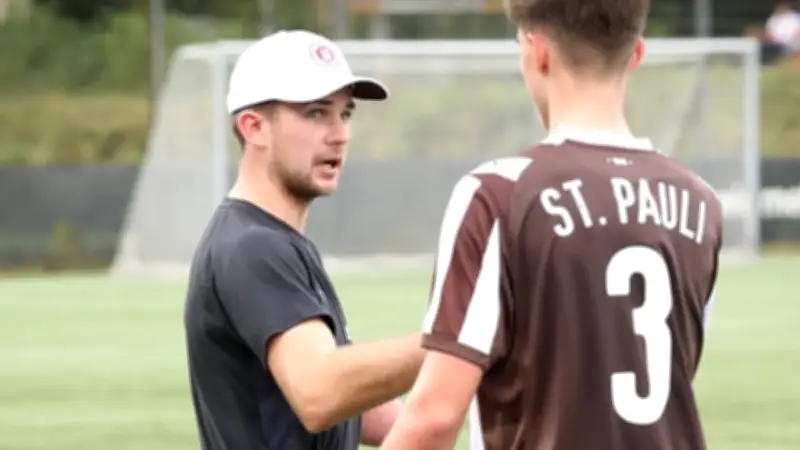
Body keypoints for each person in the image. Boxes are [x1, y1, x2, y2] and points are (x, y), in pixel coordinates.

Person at [380, 0, 723, 448]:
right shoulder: (701, 202)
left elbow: (435, 416)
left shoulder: (498, 193)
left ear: (537, 51)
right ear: (636, 54)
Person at [183, 29, 425, 450]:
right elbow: (320, 391)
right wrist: (461, 343)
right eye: (316, 113)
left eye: (345, 113)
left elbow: (359, 405)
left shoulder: (278, 241)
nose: (339, 134)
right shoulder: (252, 247)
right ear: (254, 127)